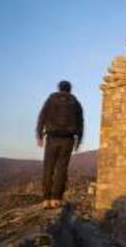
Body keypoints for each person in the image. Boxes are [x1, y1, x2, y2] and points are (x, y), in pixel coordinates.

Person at [36, 80, 84, 209]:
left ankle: (46, 199)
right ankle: (56, 198)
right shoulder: (75, 103)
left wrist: (39, 135)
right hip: (68, 139)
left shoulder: (51, 100)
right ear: (70, 89)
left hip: (52, 137)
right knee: (61, 168)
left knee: (48, 167)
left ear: (59, 88)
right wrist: (79, 140)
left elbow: (42, 117)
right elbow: (80, 122)